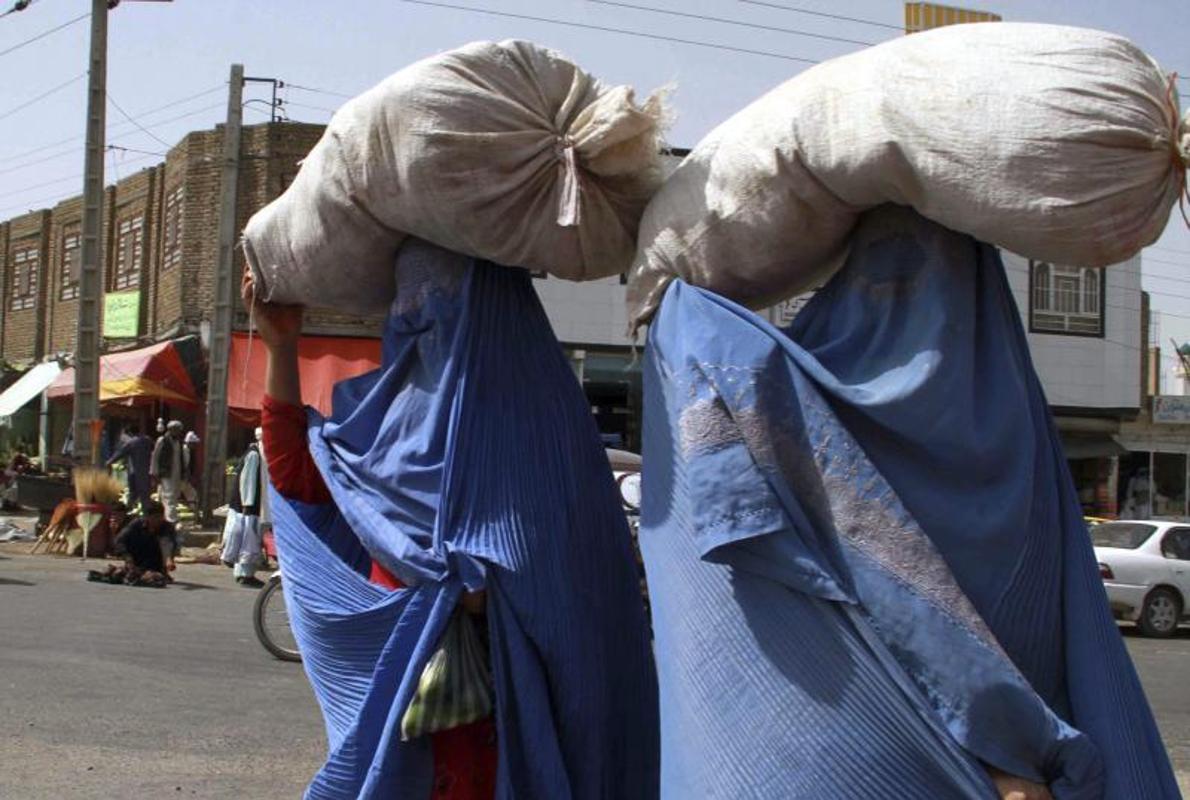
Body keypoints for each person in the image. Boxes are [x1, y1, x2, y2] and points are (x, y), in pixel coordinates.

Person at [637, 206, 1179, 800]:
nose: (909, 319)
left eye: (929, 283)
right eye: (880, 280)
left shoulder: (779, 401)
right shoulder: (794, 399)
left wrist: (675, 313)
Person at [246, 239, 657, 799]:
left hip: (514, 721)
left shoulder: (545, 426)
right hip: (412, 723)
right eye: (408, 304)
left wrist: (501, 595)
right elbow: (299, 477)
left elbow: (580, 582)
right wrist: (281, 347)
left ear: (491, 311)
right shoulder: (380, 417)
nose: (422, 318)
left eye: (442, 299)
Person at [89, 501, 173, 588]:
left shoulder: (167, 527)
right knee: (117, 573)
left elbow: (167, 543)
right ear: (147, 517)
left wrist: (168, 559)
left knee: (155, 578)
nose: (158, 520)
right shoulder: (136, 524)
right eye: (155, 517)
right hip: (135, 560)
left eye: (160, 517)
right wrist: (128, 558)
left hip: (154, 562)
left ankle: (151, 574)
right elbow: (119, 540)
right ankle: (131, 572)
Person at [220, 432, 264, 588]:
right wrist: (248, 502)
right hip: (249, 506)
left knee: (246, 540)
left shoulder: (256, 453)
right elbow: (248, 480)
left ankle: (242, 573)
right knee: (249, 540)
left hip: (249, 505)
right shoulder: (254, 454)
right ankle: (245, 574)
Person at [106, 424, 153, 511]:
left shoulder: (131, 443)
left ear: (130, 433)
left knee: (133, 492)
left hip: (134, 471)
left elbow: (120, 453)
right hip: (146, 471)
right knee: (144, 493)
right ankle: (145, 512)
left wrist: (109, 462)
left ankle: (129, 510)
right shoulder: (148, 440)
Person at [150, 420, 184, 523]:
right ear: (171, 430)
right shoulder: (162, 440)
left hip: (176, 473)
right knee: (170, 496)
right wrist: (154, 472)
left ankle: (162, 516)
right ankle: (171, 519)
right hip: (166, 472)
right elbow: (155, 456)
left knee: (168, 495)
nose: (178, 432)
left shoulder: (179, 442)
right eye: (176, 430)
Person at [179, 431, 201, 512]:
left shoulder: (190, 452)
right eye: (193, 443)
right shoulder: (182, 450)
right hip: (179, 478)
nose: (195, 446)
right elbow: (183, 465)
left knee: (192, 495)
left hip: (184, 478)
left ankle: (194, 512)